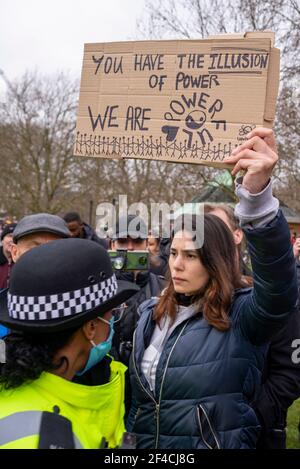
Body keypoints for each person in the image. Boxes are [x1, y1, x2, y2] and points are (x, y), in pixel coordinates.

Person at [127, 128, 298, 449]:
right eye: (174, 253)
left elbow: (279, 289)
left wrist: (257, 197)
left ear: (215, 259)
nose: (176, 264)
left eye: (191, 255)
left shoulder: (243, 316)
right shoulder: (149, 314)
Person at [0, 238, 139, 448]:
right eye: (113, 314)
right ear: (91, 327)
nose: (112, 323)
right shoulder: (44, 437)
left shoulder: (17, 386)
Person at [205, 203, 300, 449]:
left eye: (217, 228)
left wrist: (249, 416)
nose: (208, 236)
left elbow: (291, 372)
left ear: (238, 235)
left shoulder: (268, 294)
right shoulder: (189, 294)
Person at [0, 223, 17, 290]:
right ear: (2, 240)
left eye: (15, 237)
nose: (12, 240)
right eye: (9, 236)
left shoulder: (24, 261)